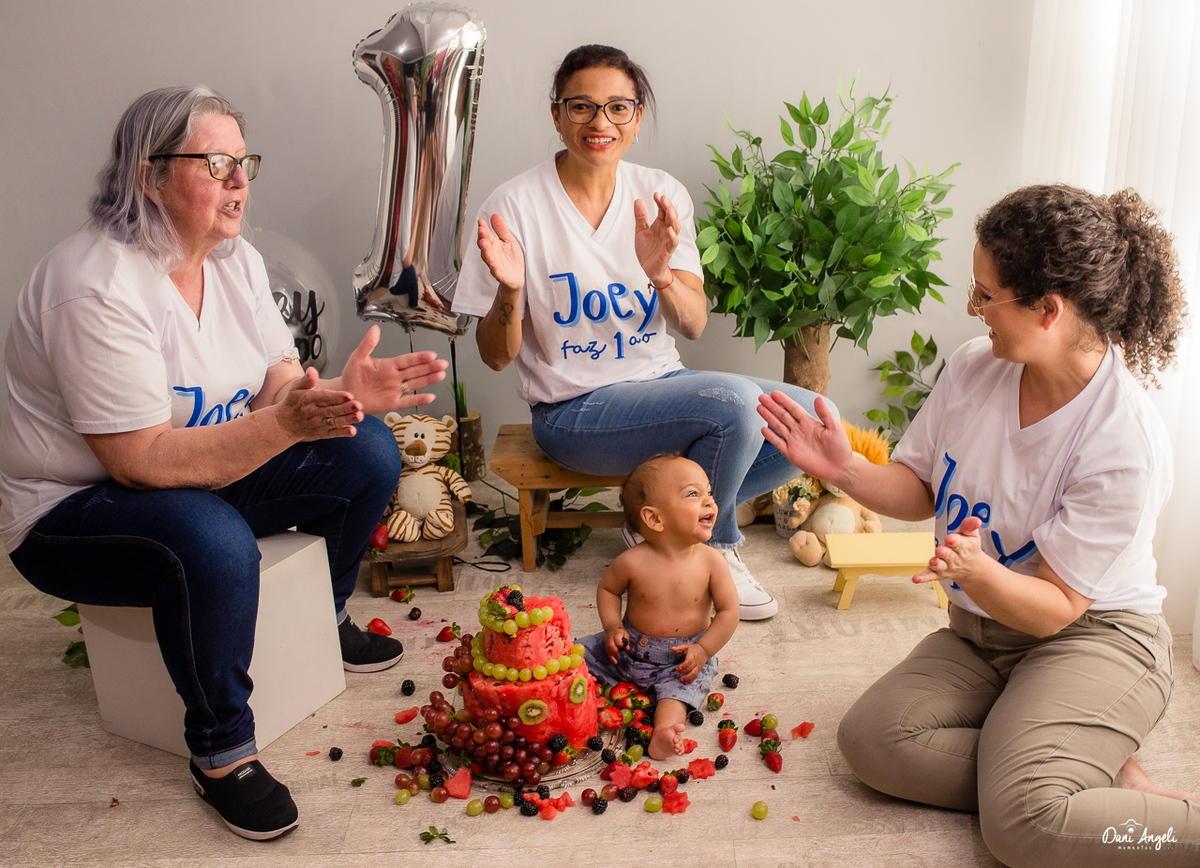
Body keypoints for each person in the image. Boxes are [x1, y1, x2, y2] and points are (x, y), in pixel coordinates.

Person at [0, 86, 448, 841]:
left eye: (245, 162)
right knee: (211, 538)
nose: (240, 181)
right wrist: (289, 423)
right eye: (216, 163)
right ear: (149, 176)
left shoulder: (235, 260)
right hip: (72, 508)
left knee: (365, 448)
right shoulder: (94, 286)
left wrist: (337, 397)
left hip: (194, 472)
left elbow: (276, 386)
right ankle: (221, 752)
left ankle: (325, 615)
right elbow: (140, 462)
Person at [757, 184, 1199, 867]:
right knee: (872, 742)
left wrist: (977, 571)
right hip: (982, 634)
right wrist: (844, 468)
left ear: (1048, 310)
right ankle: (1074, 765)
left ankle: (1073, 788)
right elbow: (921, 490)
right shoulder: (974, 366)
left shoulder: (1122, 442)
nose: (974, 308)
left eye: (986, 294)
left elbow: (1055, 608)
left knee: (1023, 827)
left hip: (1093, 638)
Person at [453, 44, 832, 621]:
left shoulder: (659, 194)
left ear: (636, 117)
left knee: (813, 419)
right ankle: (713, 552)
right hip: (573, 411)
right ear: (557, 114)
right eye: (581, 106)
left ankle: (660, 529)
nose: (600, 122)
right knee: (735, 404)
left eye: (618, 107)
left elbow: (693, 323)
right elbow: (495, 358)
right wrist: (510, 292)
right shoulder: (514, 206)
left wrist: (661, 275)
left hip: (660, 386)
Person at [579, 454, 738, 758]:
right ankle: (558, 694)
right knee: (576, 654)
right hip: (626, 650)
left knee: (677, 694)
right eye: (693, 494)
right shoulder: (631, 561)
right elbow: (608, 590)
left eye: (709, 492)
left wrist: (703, 650)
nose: (709, 501)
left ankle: (663, 732)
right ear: (654, 518)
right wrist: (612, 627)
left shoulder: (712, 562)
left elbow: (729, 611)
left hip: (681, 660)